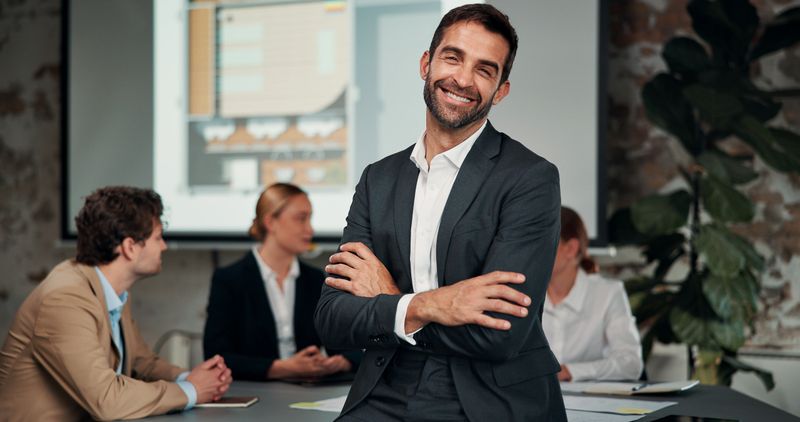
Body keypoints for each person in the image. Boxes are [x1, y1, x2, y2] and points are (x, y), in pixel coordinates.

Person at [315, 4, 566, 421]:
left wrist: (395, 300)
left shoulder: (531, 179)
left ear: (501, 90)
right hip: (386, 387)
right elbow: (333, 318)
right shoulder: (378, 180)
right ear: (426, 64)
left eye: (485, 70)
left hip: (487, 397)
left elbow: (497, 334)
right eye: (453, 58)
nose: (463, 80)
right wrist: (435, 304)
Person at [0, 186, 232, 421]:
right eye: (158, 237)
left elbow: (142, 363)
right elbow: (107, 400)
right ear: (130, 247)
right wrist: (191, 391)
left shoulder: (111, 290)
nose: (164, 246)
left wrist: (192, 377)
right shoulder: (65, 299)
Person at [203, 183, 355, 381]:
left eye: (310, 219)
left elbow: (346, 347)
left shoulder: (315, 279)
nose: (310, 229)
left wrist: (340, 362)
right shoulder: (229, 280)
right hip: (254, 396)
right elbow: (216, 357)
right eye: (301, 219)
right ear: (270, 222)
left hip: (307, 395)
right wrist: (281, 368)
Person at [544, 207, 644, 382]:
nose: (530, 251)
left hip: (588, 404)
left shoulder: (608, 293)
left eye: (540, 241)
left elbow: (631, 364)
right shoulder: (523, 292)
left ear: (570, 249)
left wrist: (569, 371)